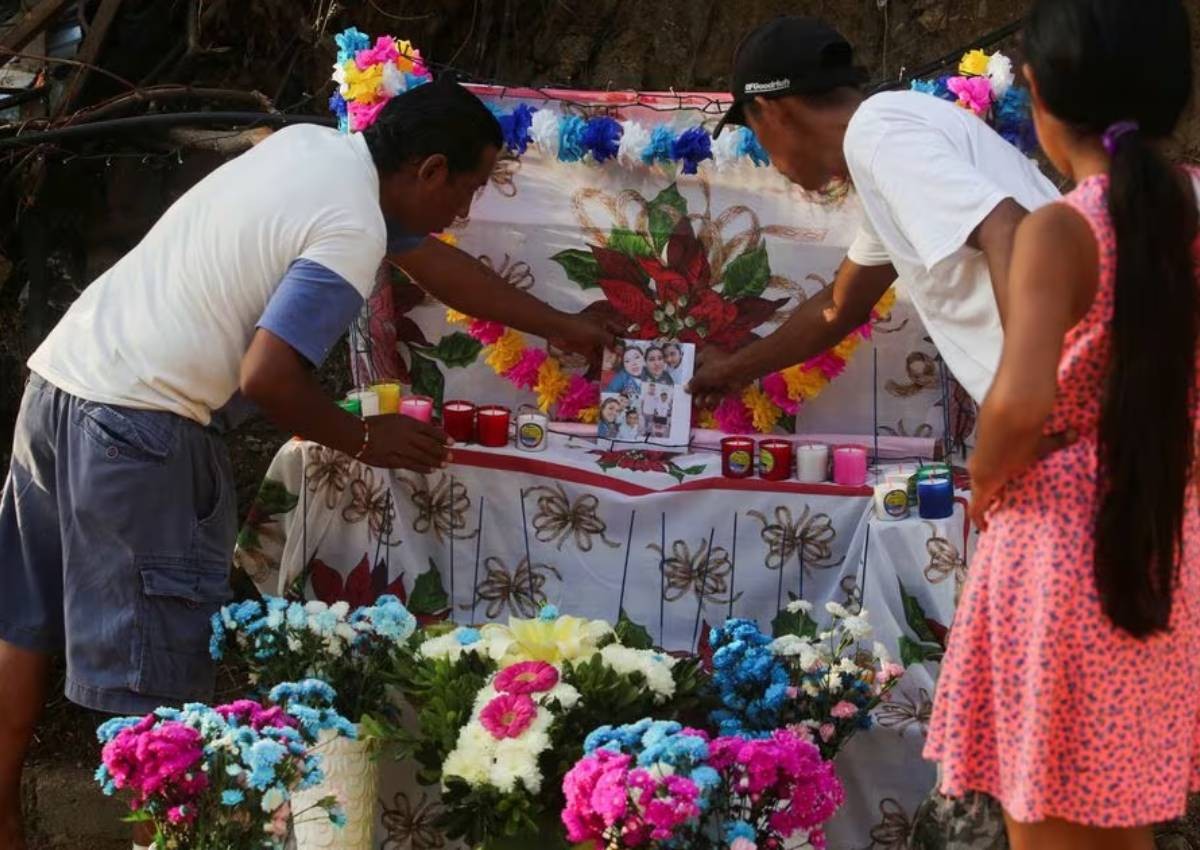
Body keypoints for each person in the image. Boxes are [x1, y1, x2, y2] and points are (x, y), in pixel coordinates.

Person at [0, 78, 612, 850]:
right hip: (138, 427)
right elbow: (268, 377)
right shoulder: (352, 226)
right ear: (429, 170)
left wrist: (560, 323)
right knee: (152, 695)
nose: (464, 212)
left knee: (22, 625)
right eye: (468, 189)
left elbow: (436, 266)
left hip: (59, 388)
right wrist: (364, 439)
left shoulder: (312, 150)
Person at [925, 3, 1199, 849]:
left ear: (1038, 93)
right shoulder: (1187, 214)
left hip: (1061, 552)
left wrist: (985, 480)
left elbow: (1019, 403)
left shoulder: (1062, 227)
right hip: (1164, 537)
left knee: (1049, 819)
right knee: (1120, 820)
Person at [688, 16, 1060, 417]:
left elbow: (1010, 230)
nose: (770, 159)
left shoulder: (879, 136)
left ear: (771, 110)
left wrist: (1031, 396)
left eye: (754, 131)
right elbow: (838, 307)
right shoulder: (888, 142)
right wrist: (735, 368)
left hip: (1071, 399)